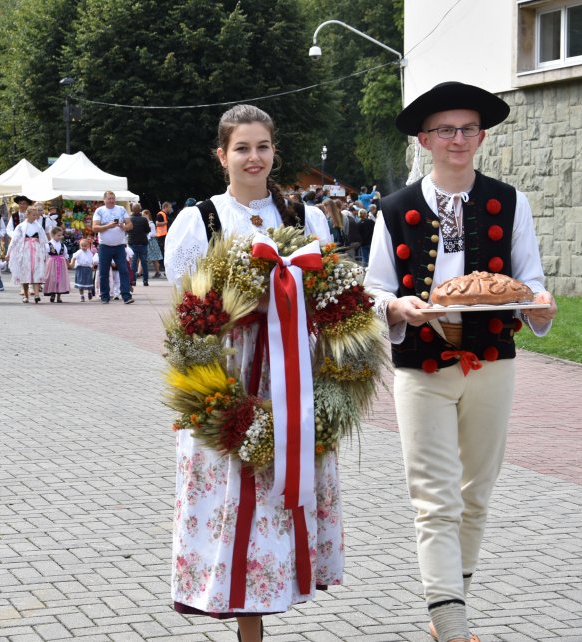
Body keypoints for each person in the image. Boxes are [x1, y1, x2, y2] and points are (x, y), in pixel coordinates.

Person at [363, 82, 558, 642]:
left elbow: (531, 280)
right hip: (420, 364)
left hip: (492, 358)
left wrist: (540, 303)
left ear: (482, 135)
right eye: (445, 129)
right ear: (424, 139)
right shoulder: (396, 208)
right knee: (433, 495)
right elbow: (376, 286)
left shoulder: (508, 200)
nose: (457, 139)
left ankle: (450, 608)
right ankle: (452, 627)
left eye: (467, 128)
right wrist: (396, 305)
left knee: (476, 491)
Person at [163, 104, 335, 642]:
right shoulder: (201, 220)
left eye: (262, 147)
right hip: (227, 376)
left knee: (279, 488)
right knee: (232, 494)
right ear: (222, 156)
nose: (253, 157)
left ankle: (269, 599)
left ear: (273, 151)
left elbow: (331, 298)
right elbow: (189, 316)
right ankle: (242, 617)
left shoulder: (307, 220)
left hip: (290, 377)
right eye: (241, 148)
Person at [91, 190, 134, 304]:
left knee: (124, 270)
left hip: (119, 246)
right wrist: (108, 226)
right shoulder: (99, 211)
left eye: (113, 198)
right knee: (104, 272)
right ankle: (105, 296)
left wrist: (123, 226)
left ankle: (126, 296)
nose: (111, 201)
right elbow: (94, 227)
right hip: (104, 246)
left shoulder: (121, 209)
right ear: (104, 200)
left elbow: (130, 225)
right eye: (109, 198)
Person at [6, 205, 48, 303]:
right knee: (25, 272)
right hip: (25, 251)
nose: (35, 217)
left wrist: (46, 252)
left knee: (37, 271)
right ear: (27, 215)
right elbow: (14, 240)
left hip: (36, 251)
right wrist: (9, 252)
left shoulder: (38, 226)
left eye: (36, 215)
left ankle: (37, 294)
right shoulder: (21, 226)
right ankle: (25, 295)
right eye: (33, 215)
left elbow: (43, 240)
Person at [44, 226, 70, 303]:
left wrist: (68, 264)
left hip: (61, 263)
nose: (60, 237)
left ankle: (59, 296)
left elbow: (65, 255)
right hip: (52, 263)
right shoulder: (48, 245)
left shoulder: (63, 245)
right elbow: (45, 255)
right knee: (53, 279)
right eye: (58, 235)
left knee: (61, 279)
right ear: (52, 235)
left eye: (61, 235)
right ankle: (52, 293)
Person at [126, 203, 150, 286]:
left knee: (133, 263)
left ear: (132, 210)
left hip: (132, 242)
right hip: (143, 242)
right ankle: (145, 280)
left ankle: (133, 281)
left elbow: (127, 230)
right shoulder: (144, 219)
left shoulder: (129, 219)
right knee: (144, 262)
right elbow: (147, 230)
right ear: (140, 210)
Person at [153, 201, 171, 276]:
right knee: (162, 251)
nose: (170, 209)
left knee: (164, 250)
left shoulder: (164, 214)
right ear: (165, 207)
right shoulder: (160, 214)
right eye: (169, 207)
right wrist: (166, 222)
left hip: (163, 235)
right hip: (161, 235)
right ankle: (162, 265)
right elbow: (157, 223)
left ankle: (163, 266)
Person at [144, 210, 162, 280]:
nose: (143, 216)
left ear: (148, 215)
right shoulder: (145, 223)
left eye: (144, 215)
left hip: (151, 242)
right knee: (144, 258)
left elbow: (154, 233)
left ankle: (158, 272)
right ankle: (139, 272)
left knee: (154, 258)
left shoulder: (151, 223)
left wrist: (147, 236)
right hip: (147, 241)